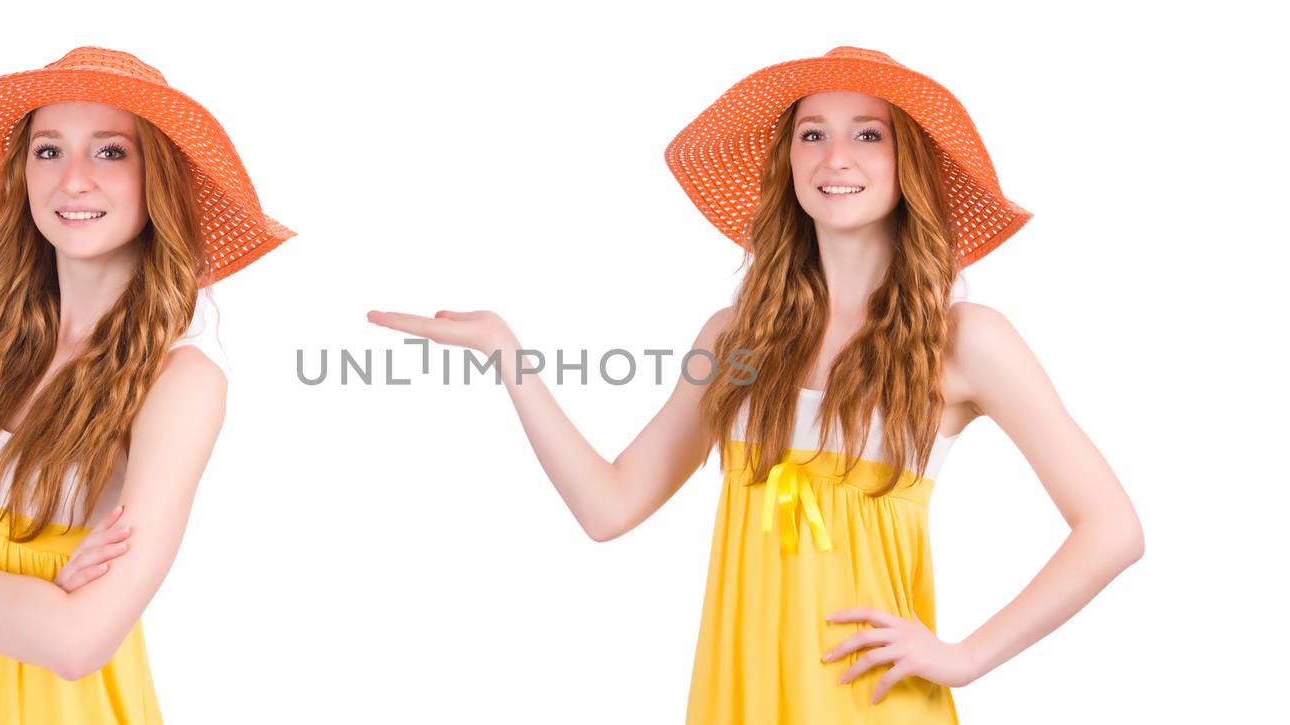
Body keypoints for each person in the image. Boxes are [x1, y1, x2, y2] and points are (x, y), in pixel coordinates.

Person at [366, 46, 1143, 723]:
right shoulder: (735, 340)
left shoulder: (965, 340)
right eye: (813, 134)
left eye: (867, 134)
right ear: (789, 164)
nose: (835, 156)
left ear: (910, 166)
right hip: (738, 694)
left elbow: (1111, 528)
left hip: (866, 699)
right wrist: (509, 357)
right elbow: (608, 506)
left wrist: (966, 655)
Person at [0, 47, 295, 723]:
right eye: (48, 150)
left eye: (110, 153)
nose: (74, 180)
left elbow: (79, 644)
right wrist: (39, 595)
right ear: (23, 173)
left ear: (158, 180)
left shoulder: (181, 382)